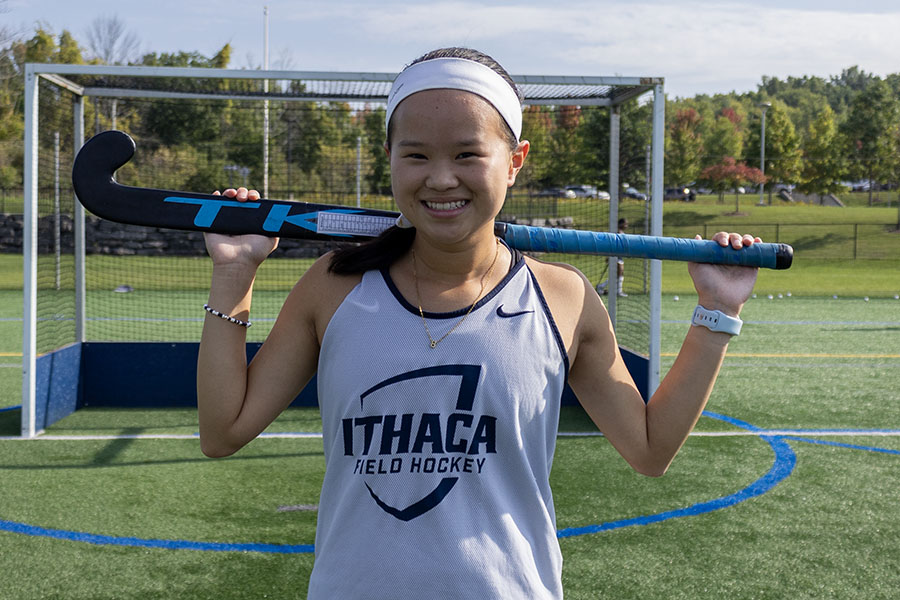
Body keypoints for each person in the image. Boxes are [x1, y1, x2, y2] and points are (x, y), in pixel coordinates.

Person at [197, 47, 761, 599]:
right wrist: (235, 273)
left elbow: (649, 449)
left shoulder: (562, 295)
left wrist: (718, 313)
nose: (441, 179)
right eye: (416, 156)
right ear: (388, 157)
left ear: (514, 161)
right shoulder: (335, 284)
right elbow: (223, 432)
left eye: (468, 155)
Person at [595, 217, 630, 297]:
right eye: (625, 224)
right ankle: (616, 290)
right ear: (621, 224)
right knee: (619, 273)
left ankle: (602, 287)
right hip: (615, 257)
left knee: (619, 274)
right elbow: (612, 244)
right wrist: (608, 256)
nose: (626, 226)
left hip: (620, 257)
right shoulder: (617, 232)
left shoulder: (621, 232)